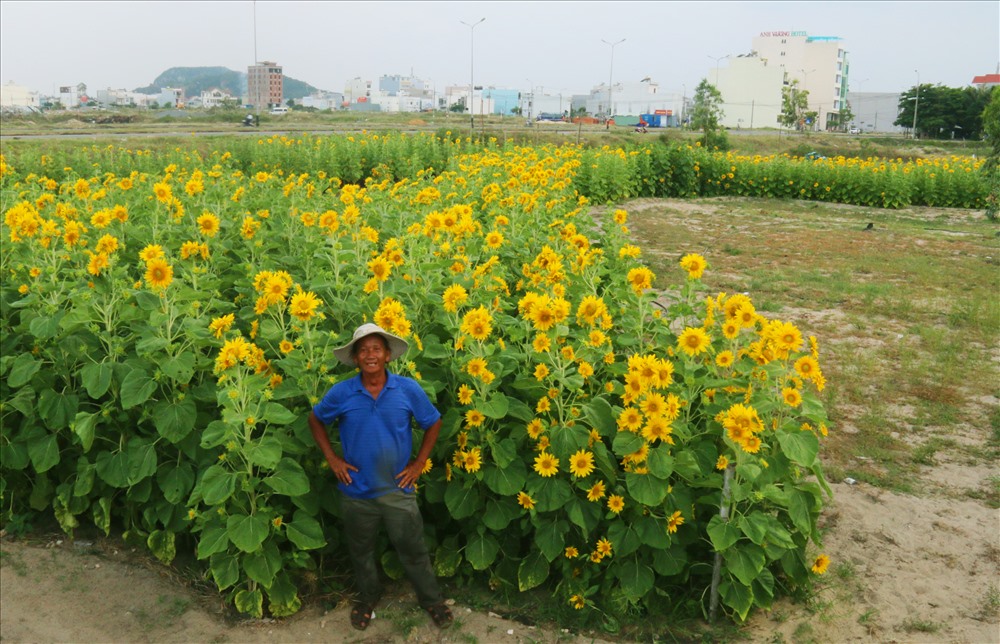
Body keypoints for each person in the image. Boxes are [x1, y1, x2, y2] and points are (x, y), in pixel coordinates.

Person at [308, 323, 453, 631]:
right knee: (361, 552)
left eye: (376, 349)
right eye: (363, 350)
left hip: (397, 489)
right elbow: (316, 419)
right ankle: (367, 598)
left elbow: (434, 422)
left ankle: (431, 600)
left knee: (413, 549)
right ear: (356, 358)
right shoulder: (342, 392)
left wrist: (419, 463)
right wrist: (332, 459)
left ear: (388, 355)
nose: (370, 355)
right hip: (356, 490)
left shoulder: (407, 389)